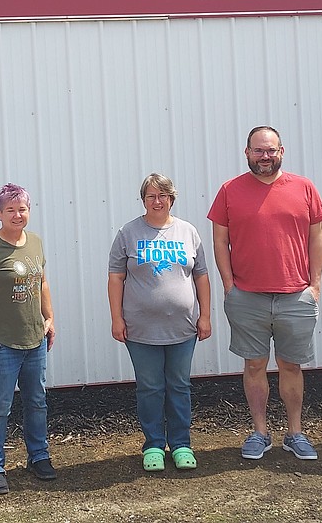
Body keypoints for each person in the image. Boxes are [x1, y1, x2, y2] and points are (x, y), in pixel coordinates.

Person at [208, 126, 322, 461]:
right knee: (255, 364)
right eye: (258, 150)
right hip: (247, 296)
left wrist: (314, 285)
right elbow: (220, 240)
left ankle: (295, 433)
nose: (264, 156)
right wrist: (229, 285)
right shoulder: (230, 190)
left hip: (295, 295)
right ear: (247, 152)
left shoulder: (304, 188)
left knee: (291, 365)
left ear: (281, 151)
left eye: (270, 150)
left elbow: (317, 237)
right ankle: (260, 433)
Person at [108, 173, 213, 472]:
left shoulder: (188, 232)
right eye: (151, 196)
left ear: (171, 199)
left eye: (163, 195)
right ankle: (153, 444)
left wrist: (205, 315)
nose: (157, 201)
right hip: (140, 329)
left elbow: (201, 275)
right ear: (143, 200)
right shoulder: (128, 233)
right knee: (150, 387)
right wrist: (117, 318)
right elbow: (116, 278)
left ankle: (181, 444)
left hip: (182, 328)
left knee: (179, 386)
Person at [0, 183, 56, 495]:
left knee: (37, 401)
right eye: (10, 210)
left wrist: (49, 318)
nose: (17, 215)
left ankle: (39, 456)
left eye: (22, 209)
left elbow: (42, 283)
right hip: (1, 342)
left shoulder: (36, 243)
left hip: (34, 340)